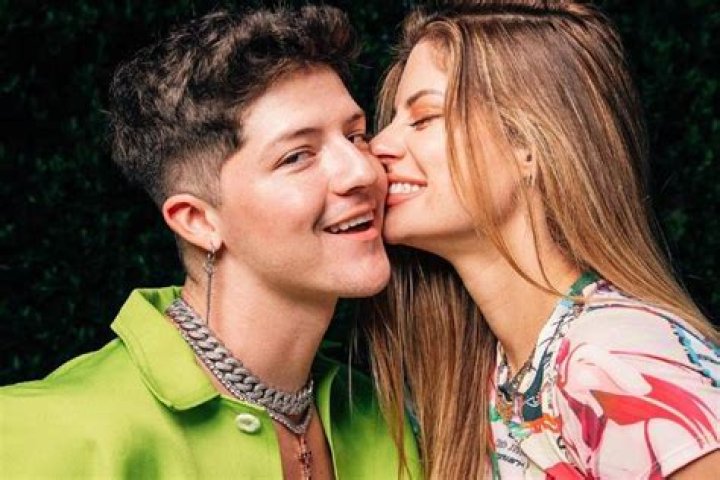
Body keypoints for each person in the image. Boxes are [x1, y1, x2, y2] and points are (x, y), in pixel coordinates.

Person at [0, 6, 419, 479]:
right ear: (197, 221)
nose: (363, 171)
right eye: (297, 156)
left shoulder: (384, 419)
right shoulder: (50, 432)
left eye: (356, 135)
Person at [365, 1, 720, 478]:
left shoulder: (614, 362)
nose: (378, 146)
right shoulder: (493, 375)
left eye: (425, 117)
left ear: (527, 146)